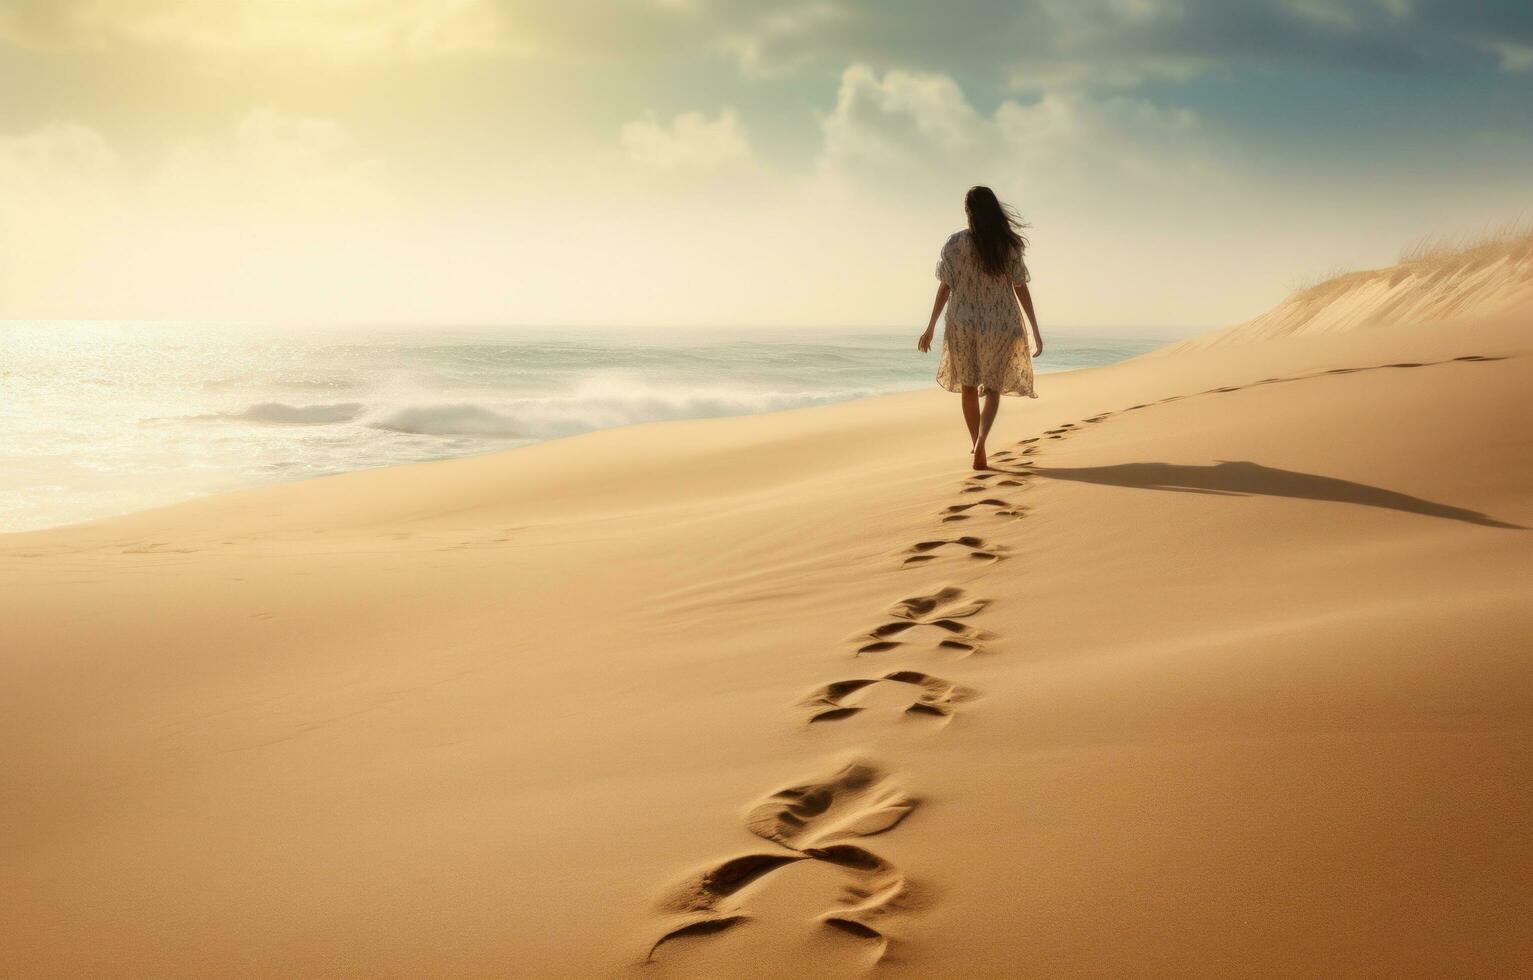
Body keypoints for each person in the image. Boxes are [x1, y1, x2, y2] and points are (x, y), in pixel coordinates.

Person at [917, 186, 1043, 470]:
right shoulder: (1007, 246)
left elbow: (945, 287)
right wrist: (1034, 329)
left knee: (969, 387)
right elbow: (1019, 287)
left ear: (969, 212)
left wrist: (931, 326)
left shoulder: (955, 244)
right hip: (1000, 324)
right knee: (994, 388)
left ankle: (976, 443)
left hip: (962, 324)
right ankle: (982, 441)